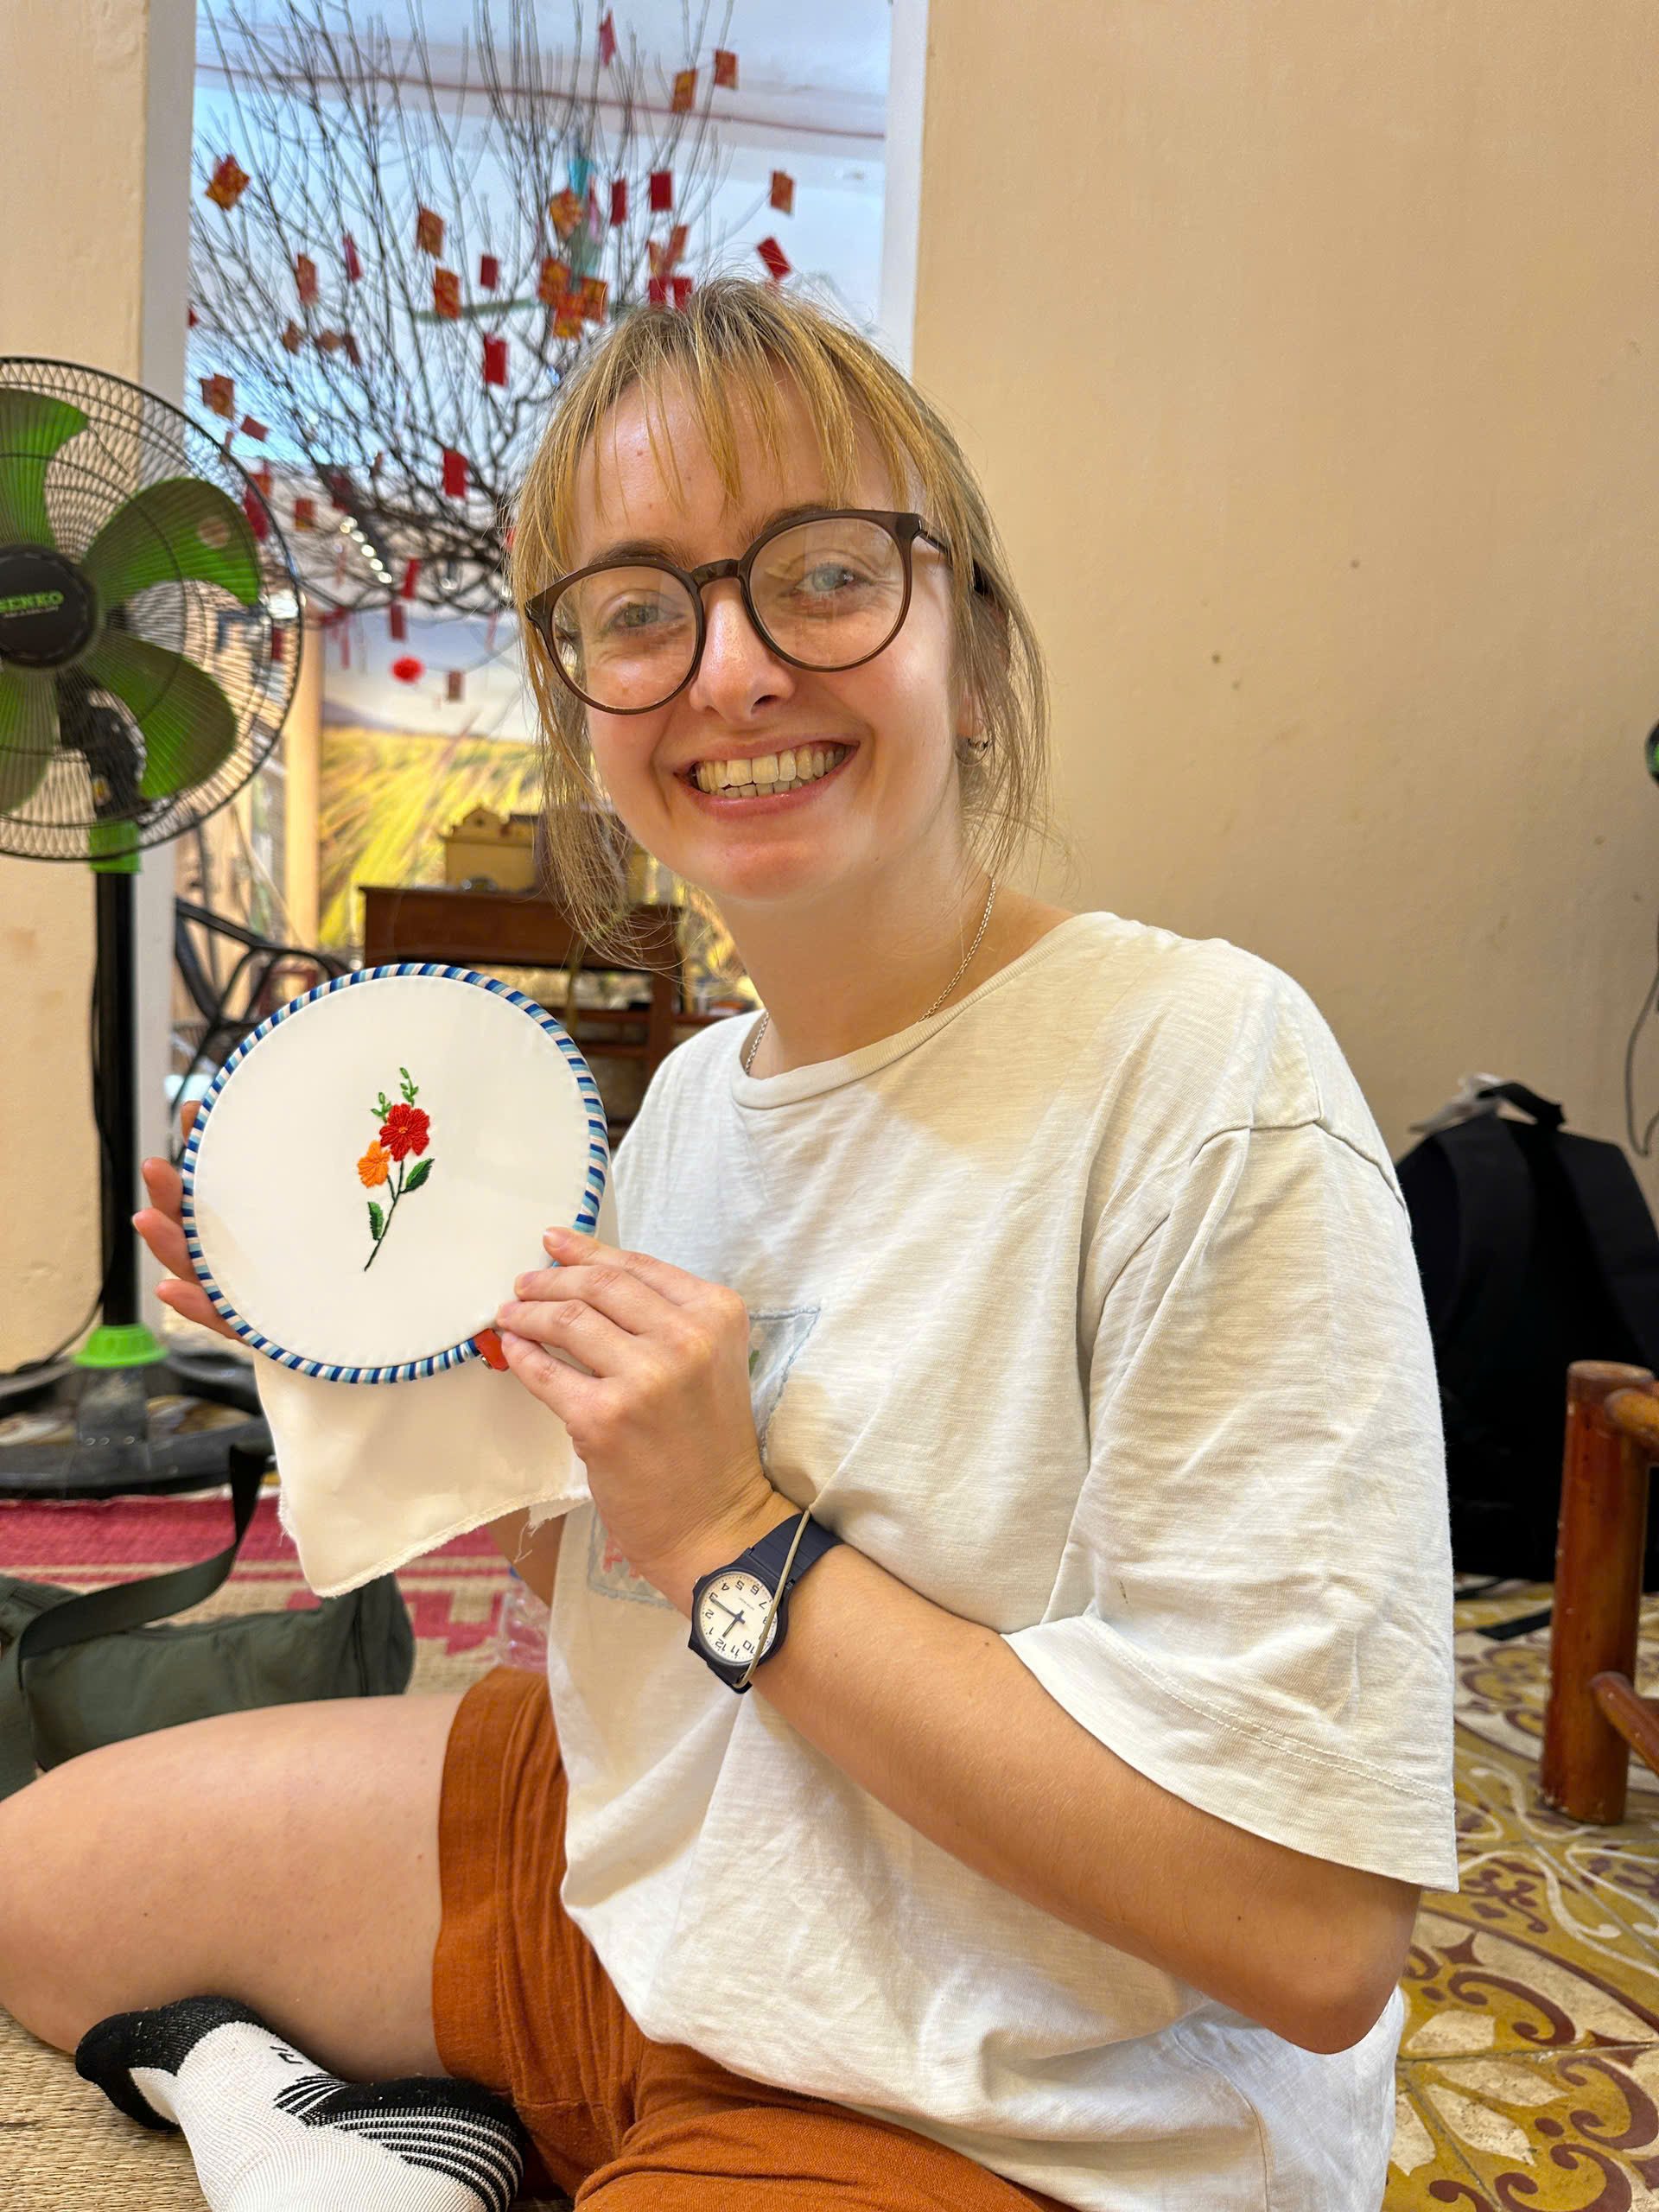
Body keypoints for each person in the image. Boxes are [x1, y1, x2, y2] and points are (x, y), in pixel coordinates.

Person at [0, 279, 1455, 2212]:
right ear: (580, 703)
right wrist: (378, 1352)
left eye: (825, 576)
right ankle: (358, 2130)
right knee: (33, 1887)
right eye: (637, 609)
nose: (735, 670)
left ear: (972, 645)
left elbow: (1308, 1929)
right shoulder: (687, 1099)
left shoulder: (1203, 1075)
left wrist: (736, 1535)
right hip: (660, 1886)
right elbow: (622, 1599)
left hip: (1009, 2097)